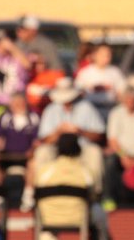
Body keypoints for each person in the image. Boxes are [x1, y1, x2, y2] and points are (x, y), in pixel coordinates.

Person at [31, 77, 105, 210]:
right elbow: (44, 139)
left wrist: (81, 131)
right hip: (57, 149)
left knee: (95, 152)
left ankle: (95, 194)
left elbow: (99, 135)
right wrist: (58, 132)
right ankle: (40, 192)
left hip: (81, 148)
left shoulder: (86, 108)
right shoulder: (51, 110)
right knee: (42, 152)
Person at [73, 42, 128, 118]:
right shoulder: (85, 73)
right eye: (103, 55)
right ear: (95, 55)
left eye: (108, 55)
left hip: (110, 109)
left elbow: (122, 92)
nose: (106, 58)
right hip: (91, 110)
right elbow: (78, 92)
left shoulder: (115, 72)